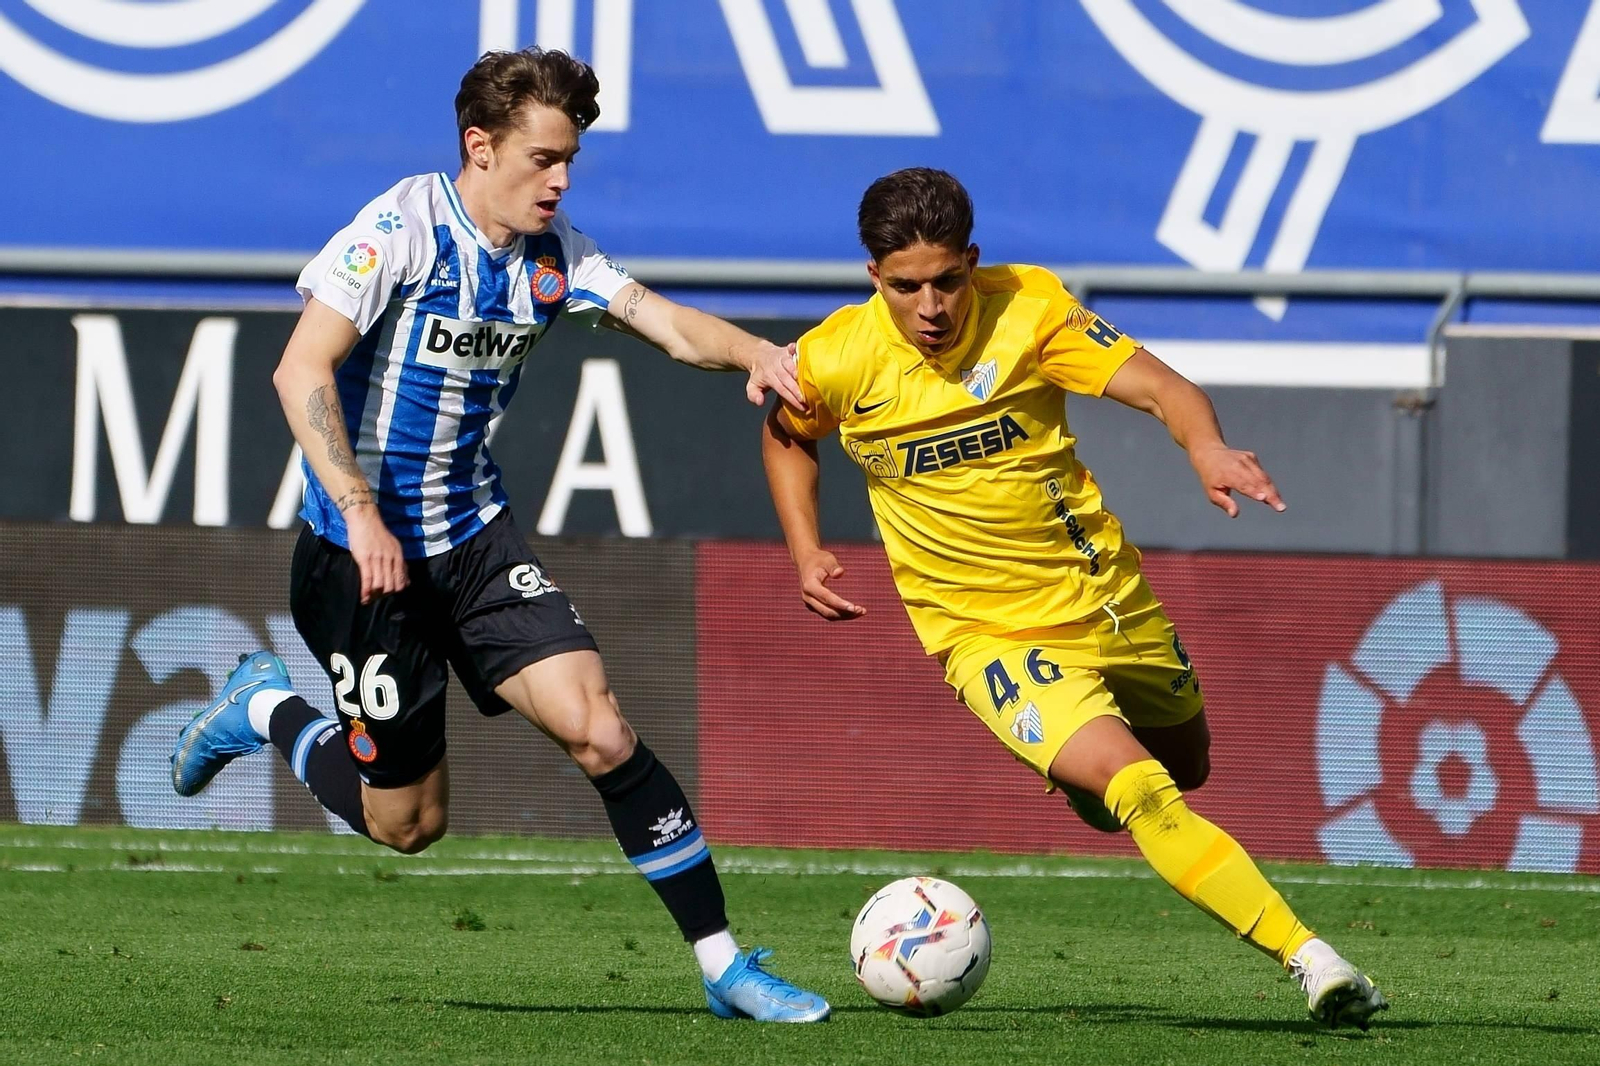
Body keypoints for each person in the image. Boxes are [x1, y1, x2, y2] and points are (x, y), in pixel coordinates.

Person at [170, 48, 828, 1024]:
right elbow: (298, 368)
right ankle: (264, 707)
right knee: (408, 825)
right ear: (480, 146)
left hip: (475, 542)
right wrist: (357, 509)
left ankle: (724, 965)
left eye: (571, 161)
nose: (561, 181)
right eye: (543, 159)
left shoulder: (554, 258)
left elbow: (664, 321)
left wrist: (760, 354)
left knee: (600, 729)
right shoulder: (397, 230)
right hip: (361, 564)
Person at [760, 167, 1388, 1030]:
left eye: (947, 281)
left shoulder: (1032, 312)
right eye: (907, 287)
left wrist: (1205, 448)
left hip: (1105, 600)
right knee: (1142, 792)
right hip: (985, 636)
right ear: (875, 278)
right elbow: (788, 435)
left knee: (1187, 767)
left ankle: (1090, 770)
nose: (932, 307)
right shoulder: (835, 357)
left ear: (972, 263)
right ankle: (1312, 959)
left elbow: (1164, 388)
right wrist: (805, 549)